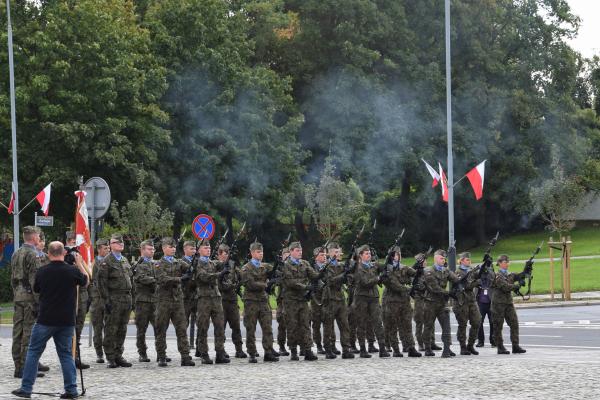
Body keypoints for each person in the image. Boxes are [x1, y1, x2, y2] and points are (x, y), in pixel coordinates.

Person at [11, 241, 89, 399]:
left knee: (33, 352)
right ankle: (71, 390)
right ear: (64, 253)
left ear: (48, 253)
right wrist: (80, 264)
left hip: (45, 319)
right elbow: (86, 281)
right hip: (66, 320)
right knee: (66, 355)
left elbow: (37, 289)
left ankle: (26, 388)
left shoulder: (42, 271)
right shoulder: (72, 271)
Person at [154, 238, 195, 367]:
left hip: (178, 301)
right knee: (161, 329)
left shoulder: (179, 262)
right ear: (164, 248)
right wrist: (180, 279)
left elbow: (191, 269)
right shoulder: (158, 264)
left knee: (182, 329)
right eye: (170, 247)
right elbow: (162, 279)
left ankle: (185, 356)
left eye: (174, 247)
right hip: (164, 301)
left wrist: (195, 261)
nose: (173, 249)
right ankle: (161, 356)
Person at [11, 226, 44, 379]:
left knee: (17, 332)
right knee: (28, 332)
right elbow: (35, 280)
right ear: (33, 237)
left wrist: (16, 293)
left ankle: (18, 366)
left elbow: (13, 278)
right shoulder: (33, 254)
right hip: (30, 297)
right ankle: (25, 368)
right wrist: (38, 301)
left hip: (18, 295)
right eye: (38, 235)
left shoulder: (16, 253)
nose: (39, 238)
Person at [97, 234, 134, 368]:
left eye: (122, 242)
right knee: (111, 328)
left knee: (122, 328)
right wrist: (106, 301)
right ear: (111, 245)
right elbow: (101, 283)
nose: (121, 244)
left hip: (126, 298)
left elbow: (131, 279)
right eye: (117, 242)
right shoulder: (106, 261)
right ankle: (110, 356)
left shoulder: (124, 260)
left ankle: (119, 355)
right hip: (114, 298)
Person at [239, 242, 279, 363]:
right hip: (251, 301)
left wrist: (278, 265)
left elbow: (276, 273)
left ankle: (268, 351)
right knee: (251, 328)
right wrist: (266, 284)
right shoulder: (246, 268)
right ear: (252, 253)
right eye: (258, 252)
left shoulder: (265, 266)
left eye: (261, 252)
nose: (260, 254)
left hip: (262, 300)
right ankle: (252, 353)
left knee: (267, 327)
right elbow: (251, 284)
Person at [193, 239, 229, 364]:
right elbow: (204, 277)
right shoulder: (197, 264)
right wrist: (219, 274)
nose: (208, 250)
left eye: (209, 248)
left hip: (216, 298)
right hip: (204, 298)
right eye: (205, 248)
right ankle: (204, 353)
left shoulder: (212, 263)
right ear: (199, 250)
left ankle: (220, 352)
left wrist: (226, 261)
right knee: (203, 326)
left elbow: (224, 264)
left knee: (219, 326)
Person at [281, 242, 319, 361]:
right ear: (291, 251)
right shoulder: (286, 265)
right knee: (292, 325)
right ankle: (293, 350)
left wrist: (321, 273)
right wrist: (306, 287)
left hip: (302, 300)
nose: (300, 252)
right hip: (291, 300)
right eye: (297, 250)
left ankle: (308, 350)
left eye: (301, 250)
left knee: (306, 324)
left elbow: (314, 276)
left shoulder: (305, 263)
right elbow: (290, 282)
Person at [381, 246, 421, 357]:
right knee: (392, 326)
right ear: (391, 256)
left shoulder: (404, 267)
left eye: (399, 254)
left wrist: (419, 268)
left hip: (404, 301)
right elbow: (394, 285)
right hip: (392, 301)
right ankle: (396, 349)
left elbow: (415, 274)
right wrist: (409, 288)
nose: (398, 256)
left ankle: (411, 347)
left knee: (407, 325)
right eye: (396, 254)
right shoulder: (387, 270)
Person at [352, 245, 389, 358]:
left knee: (378, 322)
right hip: (361, 298)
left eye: (369, 254)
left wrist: (389, 257)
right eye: (366, 254)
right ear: (361, 256)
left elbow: (385, 267)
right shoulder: (357, 268)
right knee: (361, 323)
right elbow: (365, 283)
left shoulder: (374, 265)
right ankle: (363, 349)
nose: (369, 255)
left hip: (373, 298)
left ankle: (382, 348)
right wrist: (378, 278)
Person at [422, 249, 460, 357]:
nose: (443, 260)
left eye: (444, 258)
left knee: (446, 327)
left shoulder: (445, 271)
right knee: (428, 327)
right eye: (441, 258)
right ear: (435, 258)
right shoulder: (429, 271)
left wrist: (460, 283)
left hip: (442, 303)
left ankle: (447, 348)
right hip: (430, 303)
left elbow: (456, 280)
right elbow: (435, 288)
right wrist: (449, 293)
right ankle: (428, 348)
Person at [321, 243, 354, 359]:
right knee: (328, 326)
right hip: (330, 298)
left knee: (344, 324)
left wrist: (348, 274)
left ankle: (346, 349)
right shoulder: (326, 266)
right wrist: (343, 275)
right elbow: (330, 281)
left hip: (340, 298)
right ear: (329, 253)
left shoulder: (341, 265)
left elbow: (347, 279)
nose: (338, 254)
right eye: (335, 252)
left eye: (339, 252)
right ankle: (328, 349)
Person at [65, 231, 91, 370]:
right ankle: (70, 357)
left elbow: (88, 279)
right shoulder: (65, 256)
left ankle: (76, 356)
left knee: (79, 327)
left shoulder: (78, 255)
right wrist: (78, 264)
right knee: (70, 329)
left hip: (81, 296)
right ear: (70, 241)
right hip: (70, 296)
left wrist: (80, 263)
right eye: (75, 241)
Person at [491, 254, 527, 355]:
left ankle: (515, 345)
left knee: (514, 323)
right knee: (498, 326)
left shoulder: (509, 274)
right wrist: (517, 285)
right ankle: (500, 347)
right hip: (498, 304)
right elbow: (506, 287)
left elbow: (520, 275)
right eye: (505, 262)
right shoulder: (497, 276)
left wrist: (526, 269)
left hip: (508, 303)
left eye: (508, 262)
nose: (507, 264)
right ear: (499, 263)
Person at [216, 243, 247, 358]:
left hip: (232, 300)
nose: (226, 256)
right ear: (219, 254)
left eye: (228, 253)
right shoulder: (216, 265)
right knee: (221, 327)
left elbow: (241, 277)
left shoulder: (232, 265)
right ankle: (221, 350)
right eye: (224, 254)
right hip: (221, 300)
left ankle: (239, 349)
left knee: (236, 326)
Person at [452, 252, 482, 355]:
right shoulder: (458, 272)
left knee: (477, 321)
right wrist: (476, 282)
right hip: (461, 302)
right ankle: (463, 347)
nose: (470, 261)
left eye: (470, 260)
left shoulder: (471, 270)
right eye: (467, 260)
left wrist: (483, 270)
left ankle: (470, 345)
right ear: (461, 261)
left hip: (471, 301)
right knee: (462, 324)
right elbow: (467, 286)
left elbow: (479, 276)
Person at [133, 240, 158, 362]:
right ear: (142, 250)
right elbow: (141, 278)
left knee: (159, 328)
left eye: (153, 249)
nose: (152, 251)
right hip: (142, 301)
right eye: (149, 249)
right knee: (141, 329)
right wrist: (156, 279)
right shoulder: (138, 264)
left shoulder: (156, 264)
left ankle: (161, 352)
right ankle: (142, 353)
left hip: (155, 301)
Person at [89, 238, 110, 363]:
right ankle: (99, 353)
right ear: (99, 249)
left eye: (108, 248)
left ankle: (109, 351)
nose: (107, 250)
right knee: (97, 327)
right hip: (97, 299)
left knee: (109, 327)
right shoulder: (92, 263)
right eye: (105, 248)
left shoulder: (110, 262)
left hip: (108, 298)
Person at [309, 247, 327, 355]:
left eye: (325, 255)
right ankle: (319, 345)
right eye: (321, 255)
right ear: (316, 257)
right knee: (316, 323)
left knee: (328, 323)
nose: (324, 257)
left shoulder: (327, 267)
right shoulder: (312, 268)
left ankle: (329, 344)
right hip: (316, 298)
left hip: (327, 297)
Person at [476, 266, 495, 347]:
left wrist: (489, 271)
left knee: (493, 322)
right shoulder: (478, 276)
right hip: (480, 302)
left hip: (491, 302)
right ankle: (481, 341)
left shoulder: (492, 276)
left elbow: (493, 277)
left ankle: (493, 340)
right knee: (479, 322)